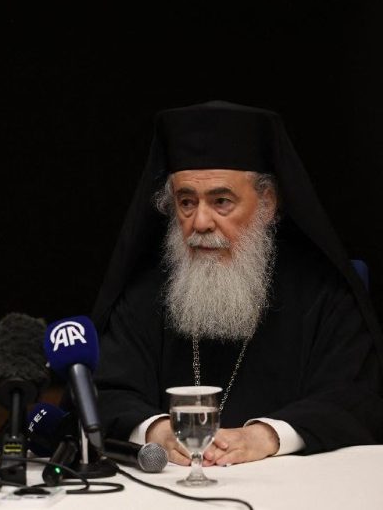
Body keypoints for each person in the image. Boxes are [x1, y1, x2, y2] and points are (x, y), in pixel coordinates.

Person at [91, 100, 383, 466]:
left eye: (222, 201)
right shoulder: (146, 291)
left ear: (267, 203)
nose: (200, 223)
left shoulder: (322, 292)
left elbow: (355, 397)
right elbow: (104, 392)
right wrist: (157, 430)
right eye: (186, 202)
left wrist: (267, 435)